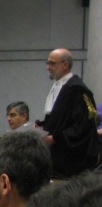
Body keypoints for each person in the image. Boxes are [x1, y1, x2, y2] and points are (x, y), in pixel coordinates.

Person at [36, 48, 99, 178]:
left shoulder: (77, 90)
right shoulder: (59, 87)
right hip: (56, 157)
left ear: (65, 65)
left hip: (71, 161)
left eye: (52, 63)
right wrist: (42, 126)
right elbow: (58, 118)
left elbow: (84, 126)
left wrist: (55, 138)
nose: (48, 67)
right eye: (47, 63)